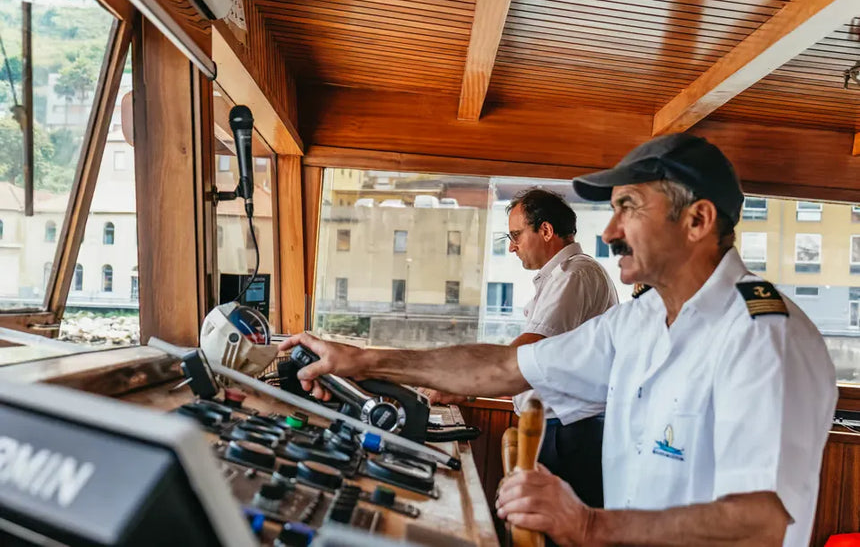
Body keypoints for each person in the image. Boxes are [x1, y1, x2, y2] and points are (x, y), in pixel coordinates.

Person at [280, 133, 837, 546]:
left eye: (629, 208)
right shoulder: (641, 322)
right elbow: (505, 367)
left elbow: (760, 522)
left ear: (697, 220)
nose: (609, 232)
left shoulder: (765, 337)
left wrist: (589, 524)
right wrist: (359, 359)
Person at [424, 188, 617, 508]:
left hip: (571, 432)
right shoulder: (562, 276)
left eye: (516, 235)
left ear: (545, 230)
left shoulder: (575, 275)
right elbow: (538, 364)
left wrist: (461, 381)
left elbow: (526, 354)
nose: (512, 247)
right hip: (560, 428)